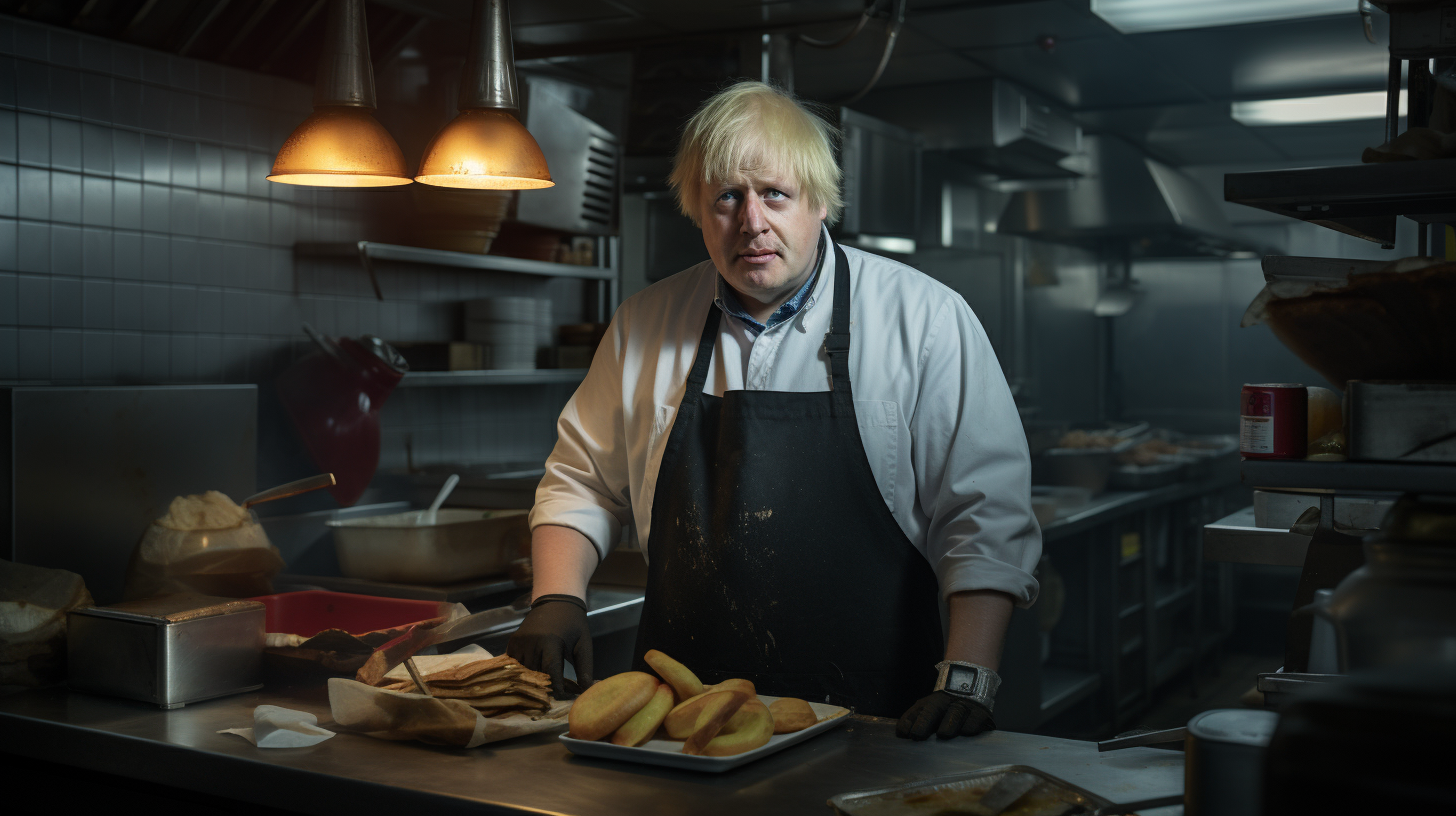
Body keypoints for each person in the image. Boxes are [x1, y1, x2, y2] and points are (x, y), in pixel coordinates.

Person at [508, 81, 1040, 740]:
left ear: (820, 203)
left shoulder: (924, 319)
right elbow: (581, 479)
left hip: (879, 719)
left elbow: (984, 512)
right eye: (726, 197)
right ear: (698, 212)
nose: (751, 222)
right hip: (687, 723)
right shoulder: (645, 323)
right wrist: (557, 598)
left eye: (775, 194)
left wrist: (970, 672)